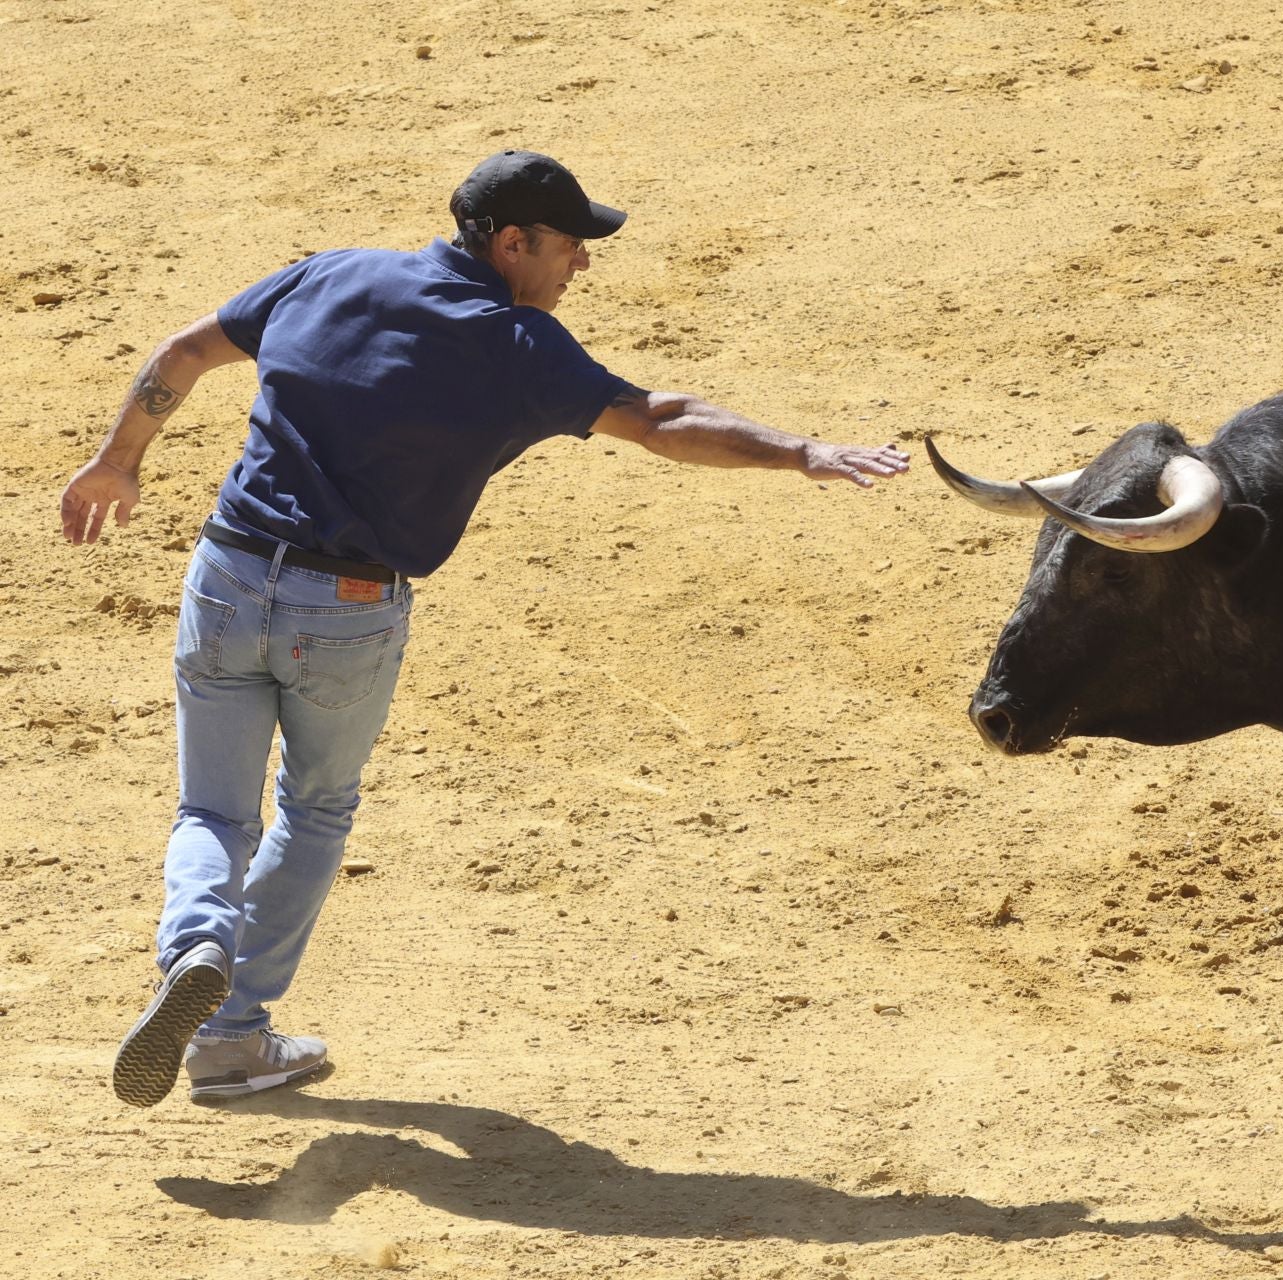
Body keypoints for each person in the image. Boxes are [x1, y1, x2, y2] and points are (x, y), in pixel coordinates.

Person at [60, 150, 910, 1108]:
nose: (581, 266)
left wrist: (116, 461)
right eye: (571, 246)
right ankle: (232, 1035)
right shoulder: (516, 345)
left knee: (212, 814)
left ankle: (196, 945)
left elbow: (183, 354)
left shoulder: (329, 273)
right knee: (314, 809)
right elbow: (660, 420)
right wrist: (804, 452)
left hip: (228, 572)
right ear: (512, 243)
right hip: (344, 614)